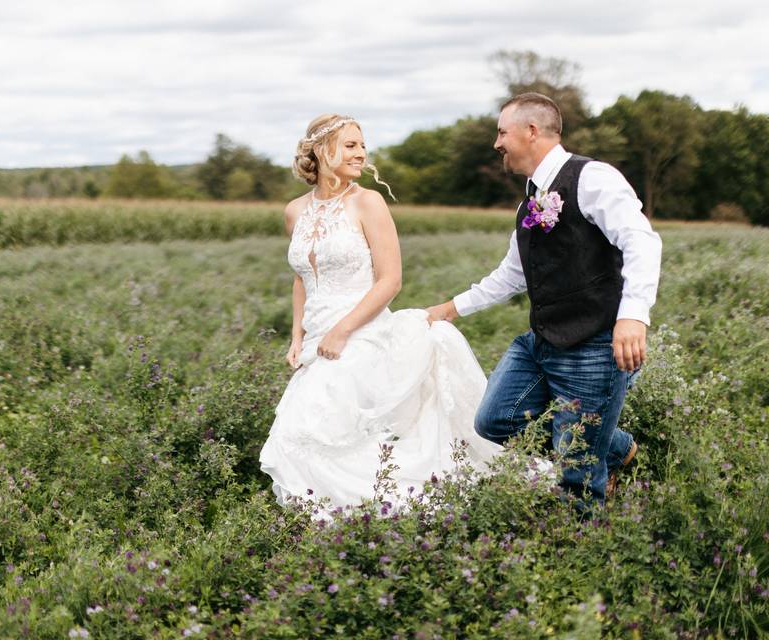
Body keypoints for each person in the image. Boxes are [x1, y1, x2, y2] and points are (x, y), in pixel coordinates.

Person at [259, 114, 542, 512]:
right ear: (323, 151)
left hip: (362, 329)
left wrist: (342, 331)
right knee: (301, 430)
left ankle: (372, 510)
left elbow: (390, 280)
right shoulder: (294, 212)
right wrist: (297, 336)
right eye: (351, 145)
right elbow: (302, 278)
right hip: (317, 335)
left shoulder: (368, 203)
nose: (362, 153)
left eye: (362, 144)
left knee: (334, 421)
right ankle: (321, 519)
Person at [426, 93, 662, 506]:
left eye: (502, 132)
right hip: (540, 343)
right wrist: (450, 309)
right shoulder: (530, 201)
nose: (497, 143)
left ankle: (581, 544)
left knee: (577, 474)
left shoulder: (593, 178)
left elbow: (641, 240)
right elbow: (512, 274)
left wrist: (633, 316)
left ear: (531, 131)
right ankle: (618, 446)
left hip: (593, 344)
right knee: (493, 421)